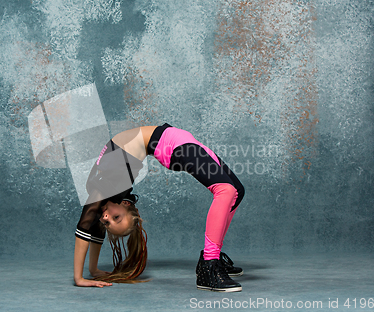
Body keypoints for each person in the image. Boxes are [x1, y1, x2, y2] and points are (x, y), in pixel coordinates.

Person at [73, 123, 245, 291]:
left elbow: (87, 222)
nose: (105, 218)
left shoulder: (106, 188)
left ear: (126, 204)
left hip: (171, 140)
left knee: (237, 191)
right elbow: (94, 223)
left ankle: (213, 260)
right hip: (171, 145)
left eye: (111, 220)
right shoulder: (112, 193)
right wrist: (91, 270)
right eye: (111, 221)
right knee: (226, 190)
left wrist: (82, 276)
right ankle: (210, 265)